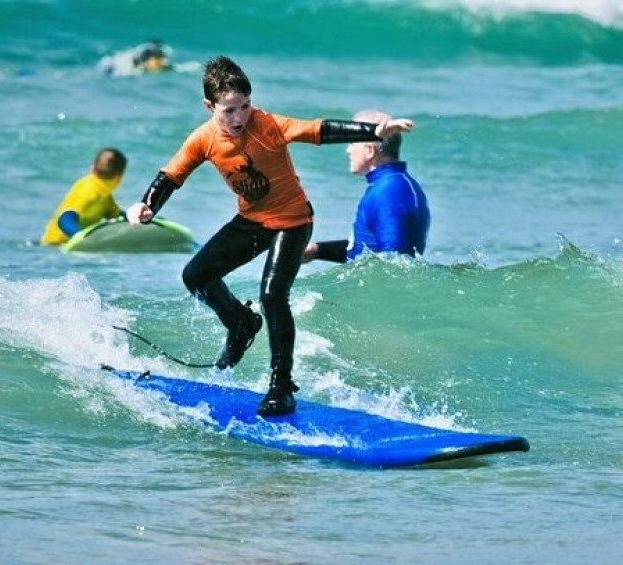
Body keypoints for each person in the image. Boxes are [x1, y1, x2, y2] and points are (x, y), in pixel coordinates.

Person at [126, 56, 413, 417]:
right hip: (252, 221)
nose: (239, 117)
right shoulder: (203, 139)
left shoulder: (267, 125)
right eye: (229, 110)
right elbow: (172, 175)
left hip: (292, 222)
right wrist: (147, 205)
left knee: (273, 294)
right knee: (195, 276)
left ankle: (281, 385)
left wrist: (372, 133)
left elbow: (317, 130)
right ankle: (240, 323)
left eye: (245, 107)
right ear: (209, 106)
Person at [303, 109, 430, 264]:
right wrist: (317, 251)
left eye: (351, 143)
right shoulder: (393, 184)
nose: (348, 150)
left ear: (370, 150)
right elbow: (366, 249)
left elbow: (396, 263)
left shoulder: (390, 192)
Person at [41, 148, 127, 246]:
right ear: (119, 177)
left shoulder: (104, 194)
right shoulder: (88, 190)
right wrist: (81, 237)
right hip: (56, 245)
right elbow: (65, 218)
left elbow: (116, 214)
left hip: (63, 246)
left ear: (92, 168)